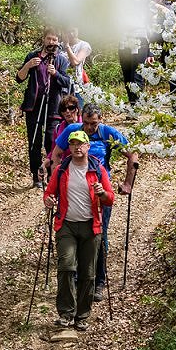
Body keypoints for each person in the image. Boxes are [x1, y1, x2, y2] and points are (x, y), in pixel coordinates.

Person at [50, 102, 138, 301]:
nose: (90, 128)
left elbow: (132, 154)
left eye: (94, 124)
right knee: (72, 232)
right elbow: (56, 154)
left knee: (99, 234)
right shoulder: (73, 130)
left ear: (101, 120)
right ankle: (77, 278)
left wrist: (127, 183)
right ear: (82, 118)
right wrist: (54, 181)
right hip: (72, 190)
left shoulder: (108, 133)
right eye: (87, 123)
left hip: (98, 193)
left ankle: (98, 280)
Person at [42, 130, 114, 330]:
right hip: (66, 225)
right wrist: (49, 201)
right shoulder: (62, 169)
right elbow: (49, 193)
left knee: (88, 274)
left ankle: (82, 315)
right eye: (73, 144)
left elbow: (110, 198)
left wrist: (102, 194)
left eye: (80, 144)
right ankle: (66, 312)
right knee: (66, 266)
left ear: (87, 146)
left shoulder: (98, 169)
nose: (76, 147)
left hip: (91, 226)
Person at [14, 29, 72, 188]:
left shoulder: (61, 60)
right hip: (33, 106)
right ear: (44, 39)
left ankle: (52, 174)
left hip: (54, 106)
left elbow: (67, 82)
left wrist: (55, 74)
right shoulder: (33, 56)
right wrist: (28, 65)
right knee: (34, 142)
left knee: (51, 141)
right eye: (49, 39)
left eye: (55, 40)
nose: (52, 42)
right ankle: (36, 176)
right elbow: (19, 78)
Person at [64, 27, 93, 101]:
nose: (71, 34)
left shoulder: (84, 45)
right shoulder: (59, 46)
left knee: (77, 110)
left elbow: (75, 62)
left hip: (77, 86)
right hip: (61, 85)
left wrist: (67, 46)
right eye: (68, 31)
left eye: (73, 31)